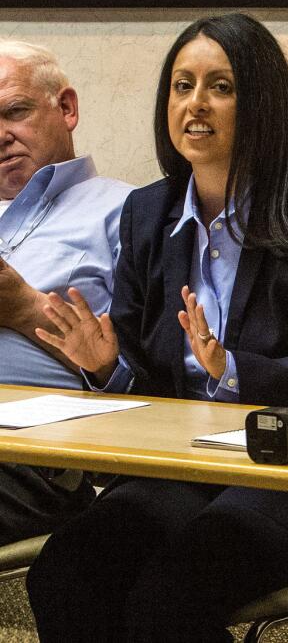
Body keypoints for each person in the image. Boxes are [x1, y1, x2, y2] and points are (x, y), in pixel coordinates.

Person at [23, 14, 288, 642]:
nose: (195, 104)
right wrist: (105, 364)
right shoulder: (148, 213)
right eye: (181, 85)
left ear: (262, 103)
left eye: (220, 87)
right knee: (66, 570)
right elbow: (146, 391)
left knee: (171, 594)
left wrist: (234, 371)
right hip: (186, 470)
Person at [0, 40, 132, 543]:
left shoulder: (128, 212)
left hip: (37, 460)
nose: (1, 135)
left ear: (66, 108)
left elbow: (149, 378)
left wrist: (22, 308)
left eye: (15, 112)